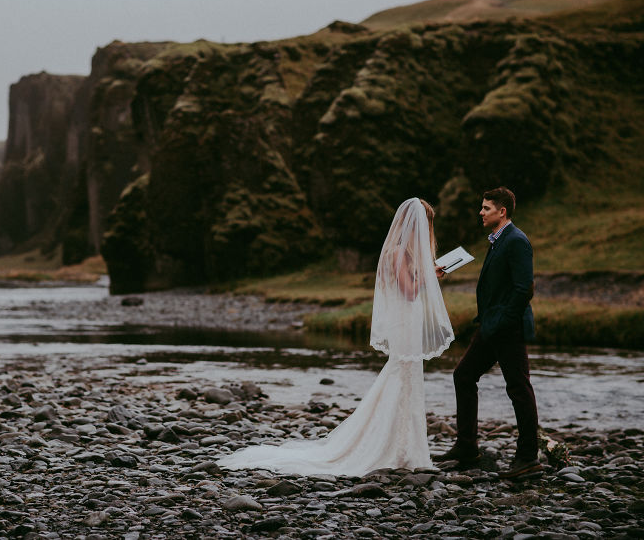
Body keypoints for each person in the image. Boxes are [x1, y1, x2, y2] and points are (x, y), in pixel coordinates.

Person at [216, 198, 454, 476]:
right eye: (425, 225)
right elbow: (411, 291)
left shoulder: (405, 252)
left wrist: (428, 273)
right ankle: (396, 448)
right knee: (402, 375)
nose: (426, 230)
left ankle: (407, 448)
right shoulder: (399, 251)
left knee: (406, 376)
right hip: (404, 322)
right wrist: (431, 275)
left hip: (408, 320)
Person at [434, 186, 541, 479]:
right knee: (464, 376)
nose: (480, 212)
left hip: (506, 328)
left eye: (486, 208)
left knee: (519, 388)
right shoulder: (498, 240)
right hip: (491, 326)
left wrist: (503, 320)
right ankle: (467, 447)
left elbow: (524, 288)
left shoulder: (516, 241)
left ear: (501, 211)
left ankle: (528, 457)